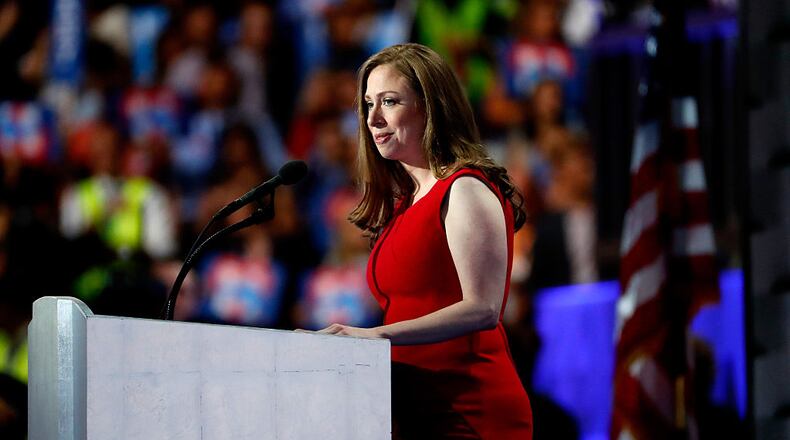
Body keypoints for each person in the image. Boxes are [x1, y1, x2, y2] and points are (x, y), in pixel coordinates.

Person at [317, 43, 533, 439]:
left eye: (390, 101)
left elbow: (483, 308)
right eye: (368, 104)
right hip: (413, 410)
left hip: (469, 411)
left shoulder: (464, 188)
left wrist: (373, 336)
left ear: (429, 106)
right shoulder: (403, 204)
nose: (374, 119)